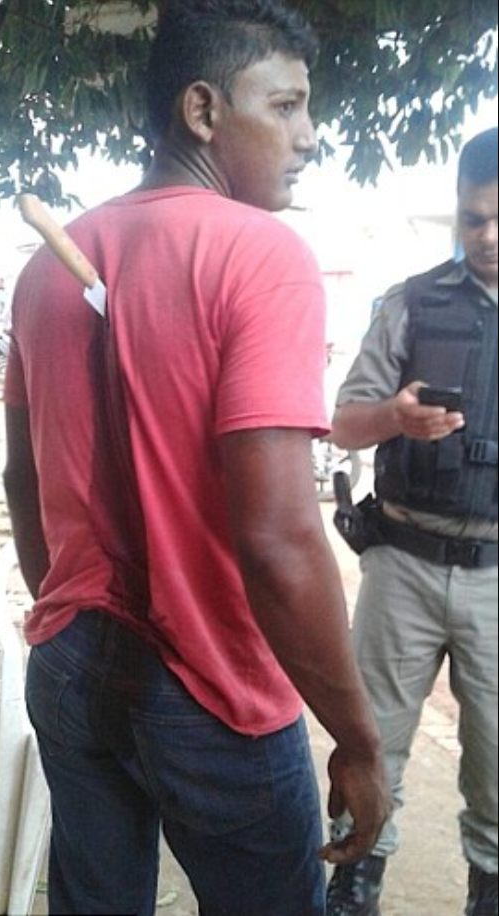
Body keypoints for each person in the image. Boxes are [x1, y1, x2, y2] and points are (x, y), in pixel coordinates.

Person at [3, 2, 389, 914]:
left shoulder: (46, 266)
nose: (308, 135)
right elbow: (277, 540)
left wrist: (66, 608)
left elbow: (23, 478)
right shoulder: (261, 255)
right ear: (203, 110)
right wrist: (357, 736)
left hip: (68, 661)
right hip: (211, 684)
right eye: (285, 106)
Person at [327, 126, 498, 916]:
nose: (486, 237)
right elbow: (342, 424)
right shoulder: (411, 302)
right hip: (401, 563)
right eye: (472, 219)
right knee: (369, 746)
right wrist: (394, 418)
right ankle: (352, 884)